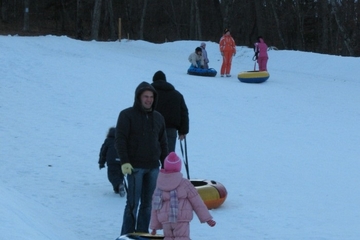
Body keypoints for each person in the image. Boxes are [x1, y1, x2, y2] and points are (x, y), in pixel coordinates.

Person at [115, 81, 169, 235]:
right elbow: (120, 140)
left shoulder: (158, 117)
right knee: (132, 204)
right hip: (135, 167)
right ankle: (127, 235)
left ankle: (142, 234)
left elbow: (163, 143)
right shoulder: (126, 115)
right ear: (139, 97)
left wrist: (166, 164)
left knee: (148, 205)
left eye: (151, 97)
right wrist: (124, 161)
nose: (149, 100)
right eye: (146, 96)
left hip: (153, 167)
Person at [150, 152, 216, 239]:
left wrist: (154, 226)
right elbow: (197, 202)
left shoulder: (159, 185)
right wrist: (207, 218)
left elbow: (155, 207)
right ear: (178, 168)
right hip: (180, 218)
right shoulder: (184, 183)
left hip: (165, 220)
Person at [151, 71, 189, 153]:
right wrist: (183, 131)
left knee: (150, 158)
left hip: (151, 129)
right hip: (171, 131)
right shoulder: (177, 95)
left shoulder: (148, 94)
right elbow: (184, 113)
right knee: (168, 158)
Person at [98, 127, 125, 197]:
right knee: (120, 174)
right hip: (122, 161)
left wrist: (101, 162)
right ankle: (118, 188)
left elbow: (103, 152)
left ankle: (119, 185)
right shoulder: (122, 140)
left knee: (112, 175)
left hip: (112, 162)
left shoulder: (108, 141)